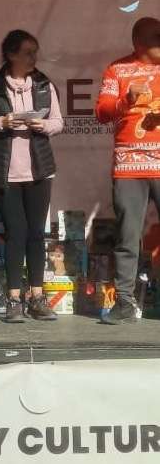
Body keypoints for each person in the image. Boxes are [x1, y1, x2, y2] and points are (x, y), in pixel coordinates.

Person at [0, 30, 64, 322]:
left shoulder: (44, 84)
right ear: (11, 55)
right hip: (5, 172)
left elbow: (58, 122)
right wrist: (2, 122)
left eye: (35, 52)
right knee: (16, 233)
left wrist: (42, 126)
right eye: (28, 53)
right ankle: (13, 299)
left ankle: (37, 297)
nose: (34, 58)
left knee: (36, 233)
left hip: (39, 170)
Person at [95, 17, 160, 324]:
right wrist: (127, 100)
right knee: (127, 235)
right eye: (157, 37)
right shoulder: (117, 69)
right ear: (140, 43)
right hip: (129, 164)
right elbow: (101, 112)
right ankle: (124, 302)